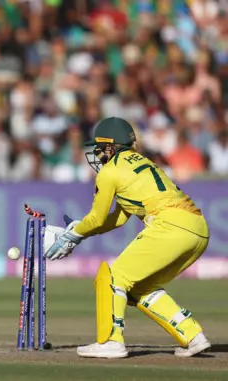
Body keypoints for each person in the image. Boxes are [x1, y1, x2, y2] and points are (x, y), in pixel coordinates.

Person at [45, 117, 210, 359]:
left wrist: (73, 235)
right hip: (198, 230)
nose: (98, 154)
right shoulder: (142, 163)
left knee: (113, 276)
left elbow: (98, 218)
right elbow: (118, 219)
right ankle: (192, 336)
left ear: (111, 146)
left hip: (170, 225)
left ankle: (111, 341)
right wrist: (79, 230)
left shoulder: (110, 171)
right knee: (140, 288)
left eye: (100, 148)